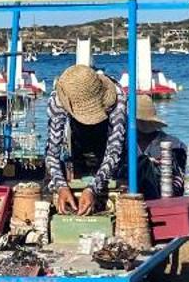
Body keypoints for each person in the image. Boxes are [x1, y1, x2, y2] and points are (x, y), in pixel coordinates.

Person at [44, 65, 127, 214]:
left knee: (118, 175)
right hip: (77, 143)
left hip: (106, 141)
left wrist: (92, 189)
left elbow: (115, 150)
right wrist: (61, 186)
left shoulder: (117, 97)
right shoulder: (58, 100)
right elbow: (52, 152)